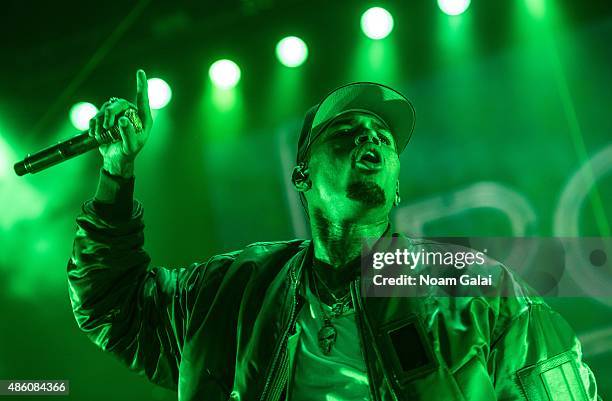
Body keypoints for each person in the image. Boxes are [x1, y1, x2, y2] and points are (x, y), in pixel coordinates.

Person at [67, 70, 599, 401]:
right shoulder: (230, 292)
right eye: (345, 132)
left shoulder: (478, 291)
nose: (369, 137)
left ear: (394, 190)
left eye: (382, 139)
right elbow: (111, 306)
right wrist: (116, 172)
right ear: (301, 175)